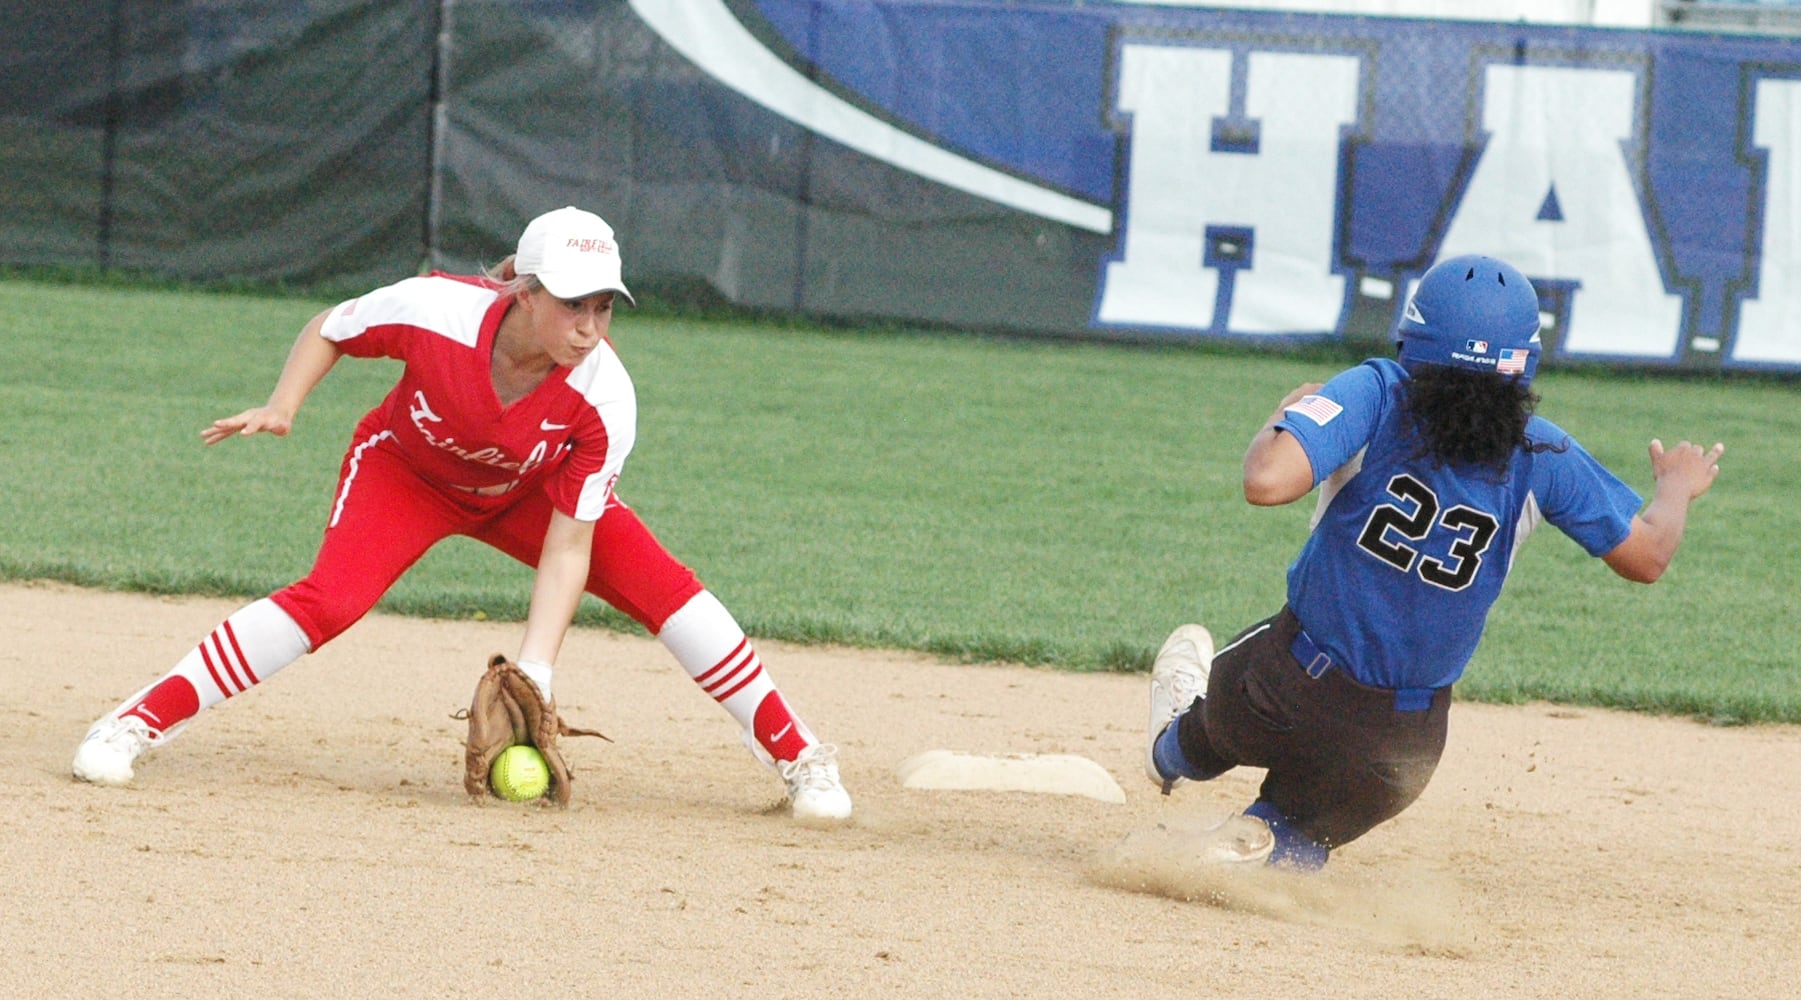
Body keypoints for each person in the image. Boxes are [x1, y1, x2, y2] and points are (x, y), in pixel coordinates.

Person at [71, 206, 852, 821]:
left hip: (530, 494)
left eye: (605, 308)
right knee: (328, 601)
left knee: (670, 592)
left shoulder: (604, 393)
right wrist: (284, 404)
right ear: (526, 290)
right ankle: (133, 723)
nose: (590, 326)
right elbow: (334, 325)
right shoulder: (435, 310)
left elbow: (569, 546)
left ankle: (801, 757)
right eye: (575, 304)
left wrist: (535, 672)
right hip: (407, 473)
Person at [1143, 254, 1723, 869]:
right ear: (1523, 361)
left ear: (1413, 337)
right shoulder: (1543, 449)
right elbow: (1649, 555)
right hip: (1400, 750)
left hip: (1282, 688)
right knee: (1305, 828)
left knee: (1216, 722)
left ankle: (1173, 751)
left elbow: (1266, 481)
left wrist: (1282, 419)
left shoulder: (1377, 390)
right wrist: (1676, 489)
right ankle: (1268, 843)